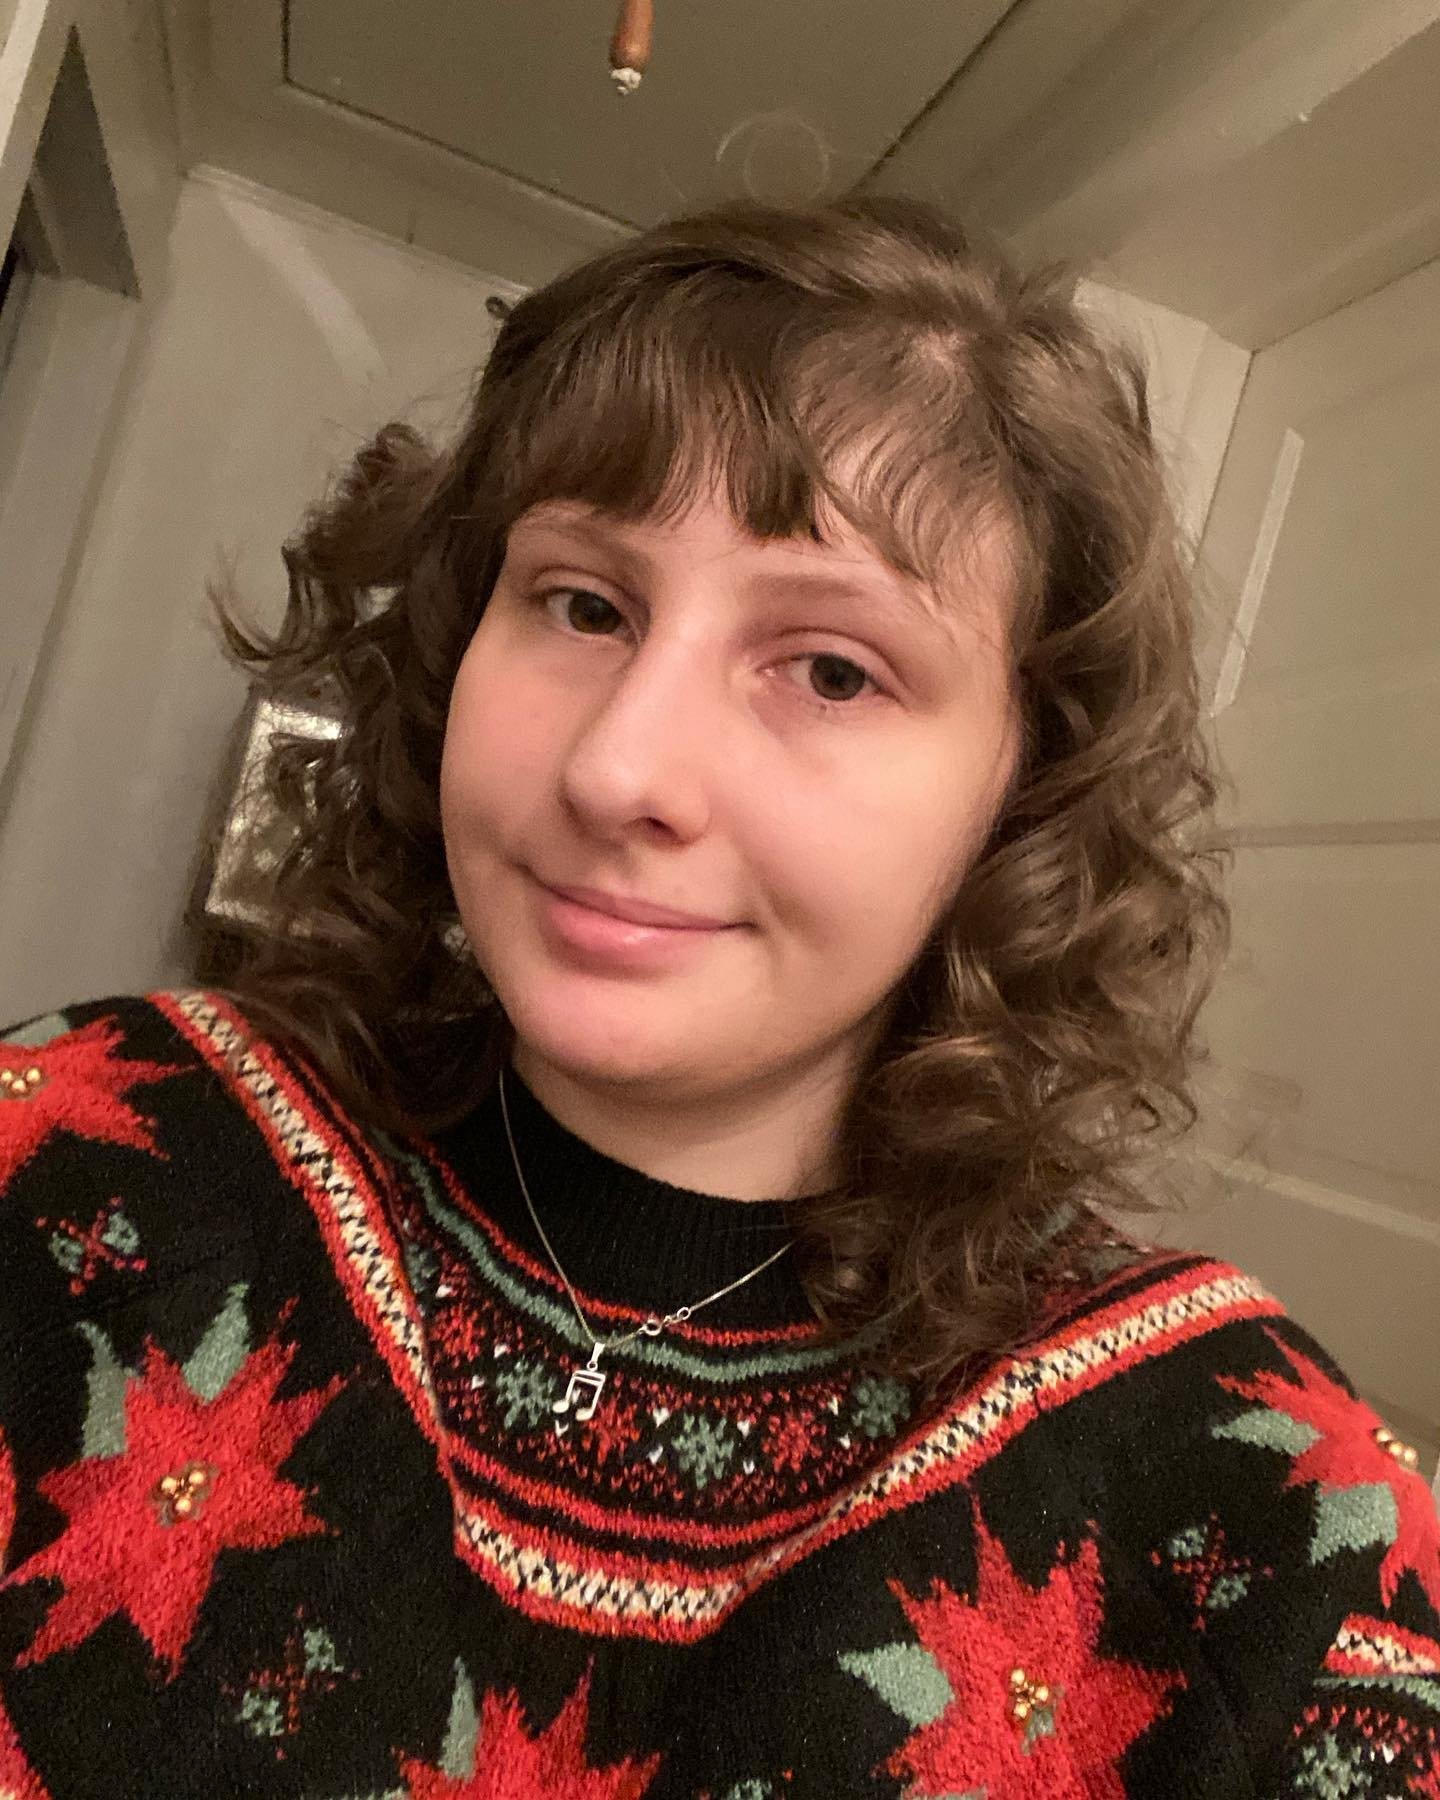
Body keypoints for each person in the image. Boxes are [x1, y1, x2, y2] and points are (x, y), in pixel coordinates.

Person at [0, 195, 1435, 1799]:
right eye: (582, 604)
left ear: (1024, 796)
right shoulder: (80, 1154)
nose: (618, 769)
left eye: (831, 669)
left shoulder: (1255, 1505)